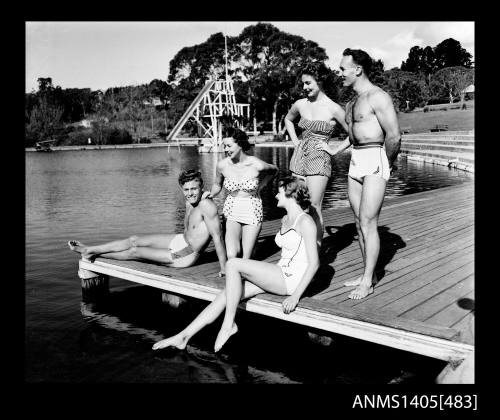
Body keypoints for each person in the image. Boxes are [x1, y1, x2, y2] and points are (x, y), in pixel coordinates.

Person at [152, 175, 319, 353]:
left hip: (292, 281)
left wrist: (295, 297)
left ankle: (228, 324)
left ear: (290, 194)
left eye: (279, 192)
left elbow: (314, 263)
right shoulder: (286, 219)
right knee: (228, 294)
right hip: (280, 273)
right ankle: (183, 336)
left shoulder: (305, 222)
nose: (276, 196)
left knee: (233, 264)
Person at [333, 48, 401, 299]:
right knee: (358, 224)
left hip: (375, 158)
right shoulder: (351, 103)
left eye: (343, 69)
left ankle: (367, 282)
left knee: (368, 222)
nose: (340, 73)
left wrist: (387, 164)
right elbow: (352, 137)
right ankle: (368, 274)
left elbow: (394, 135)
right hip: (356, 161)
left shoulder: (378, 97)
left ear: (357, 69)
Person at [68, 169, 227, 275]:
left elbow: (218, 238)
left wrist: (224, 269)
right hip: (181, 240)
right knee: (134, 240)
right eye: (186, 190)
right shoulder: (189, 202)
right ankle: (90, 249)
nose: (191, 193)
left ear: (201, 187)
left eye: (194, 188)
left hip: (185, 255)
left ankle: (93, 253)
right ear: (181, 189)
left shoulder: (206, 205)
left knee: (135, 251)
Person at [285, 62, 349, 248]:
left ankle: (316, 253)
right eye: (303, 84)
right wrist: (296, 141)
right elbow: (288, 120)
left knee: (313, 207)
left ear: (320, 81)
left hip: (319, 158)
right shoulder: (300, 104)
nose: (304, 88)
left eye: (308, 83)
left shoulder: (333, 108)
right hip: (299, 156)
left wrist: (335, 150)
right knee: (296, 204)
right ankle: (297, 250)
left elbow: (353, 133)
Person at [207, 127, 278, 260]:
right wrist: (210, 194)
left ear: (240, 144)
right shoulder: (222, 165)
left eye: (229, 146)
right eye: (224, 146)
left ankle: (251, 252)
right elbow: (217, 184)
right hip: (232, 209)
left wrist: (262, 186)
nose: (226, 150)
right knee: (232, 255)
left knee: (246, 257)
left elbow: (275, 171)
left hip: (252, 209)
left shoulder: (256, 164)